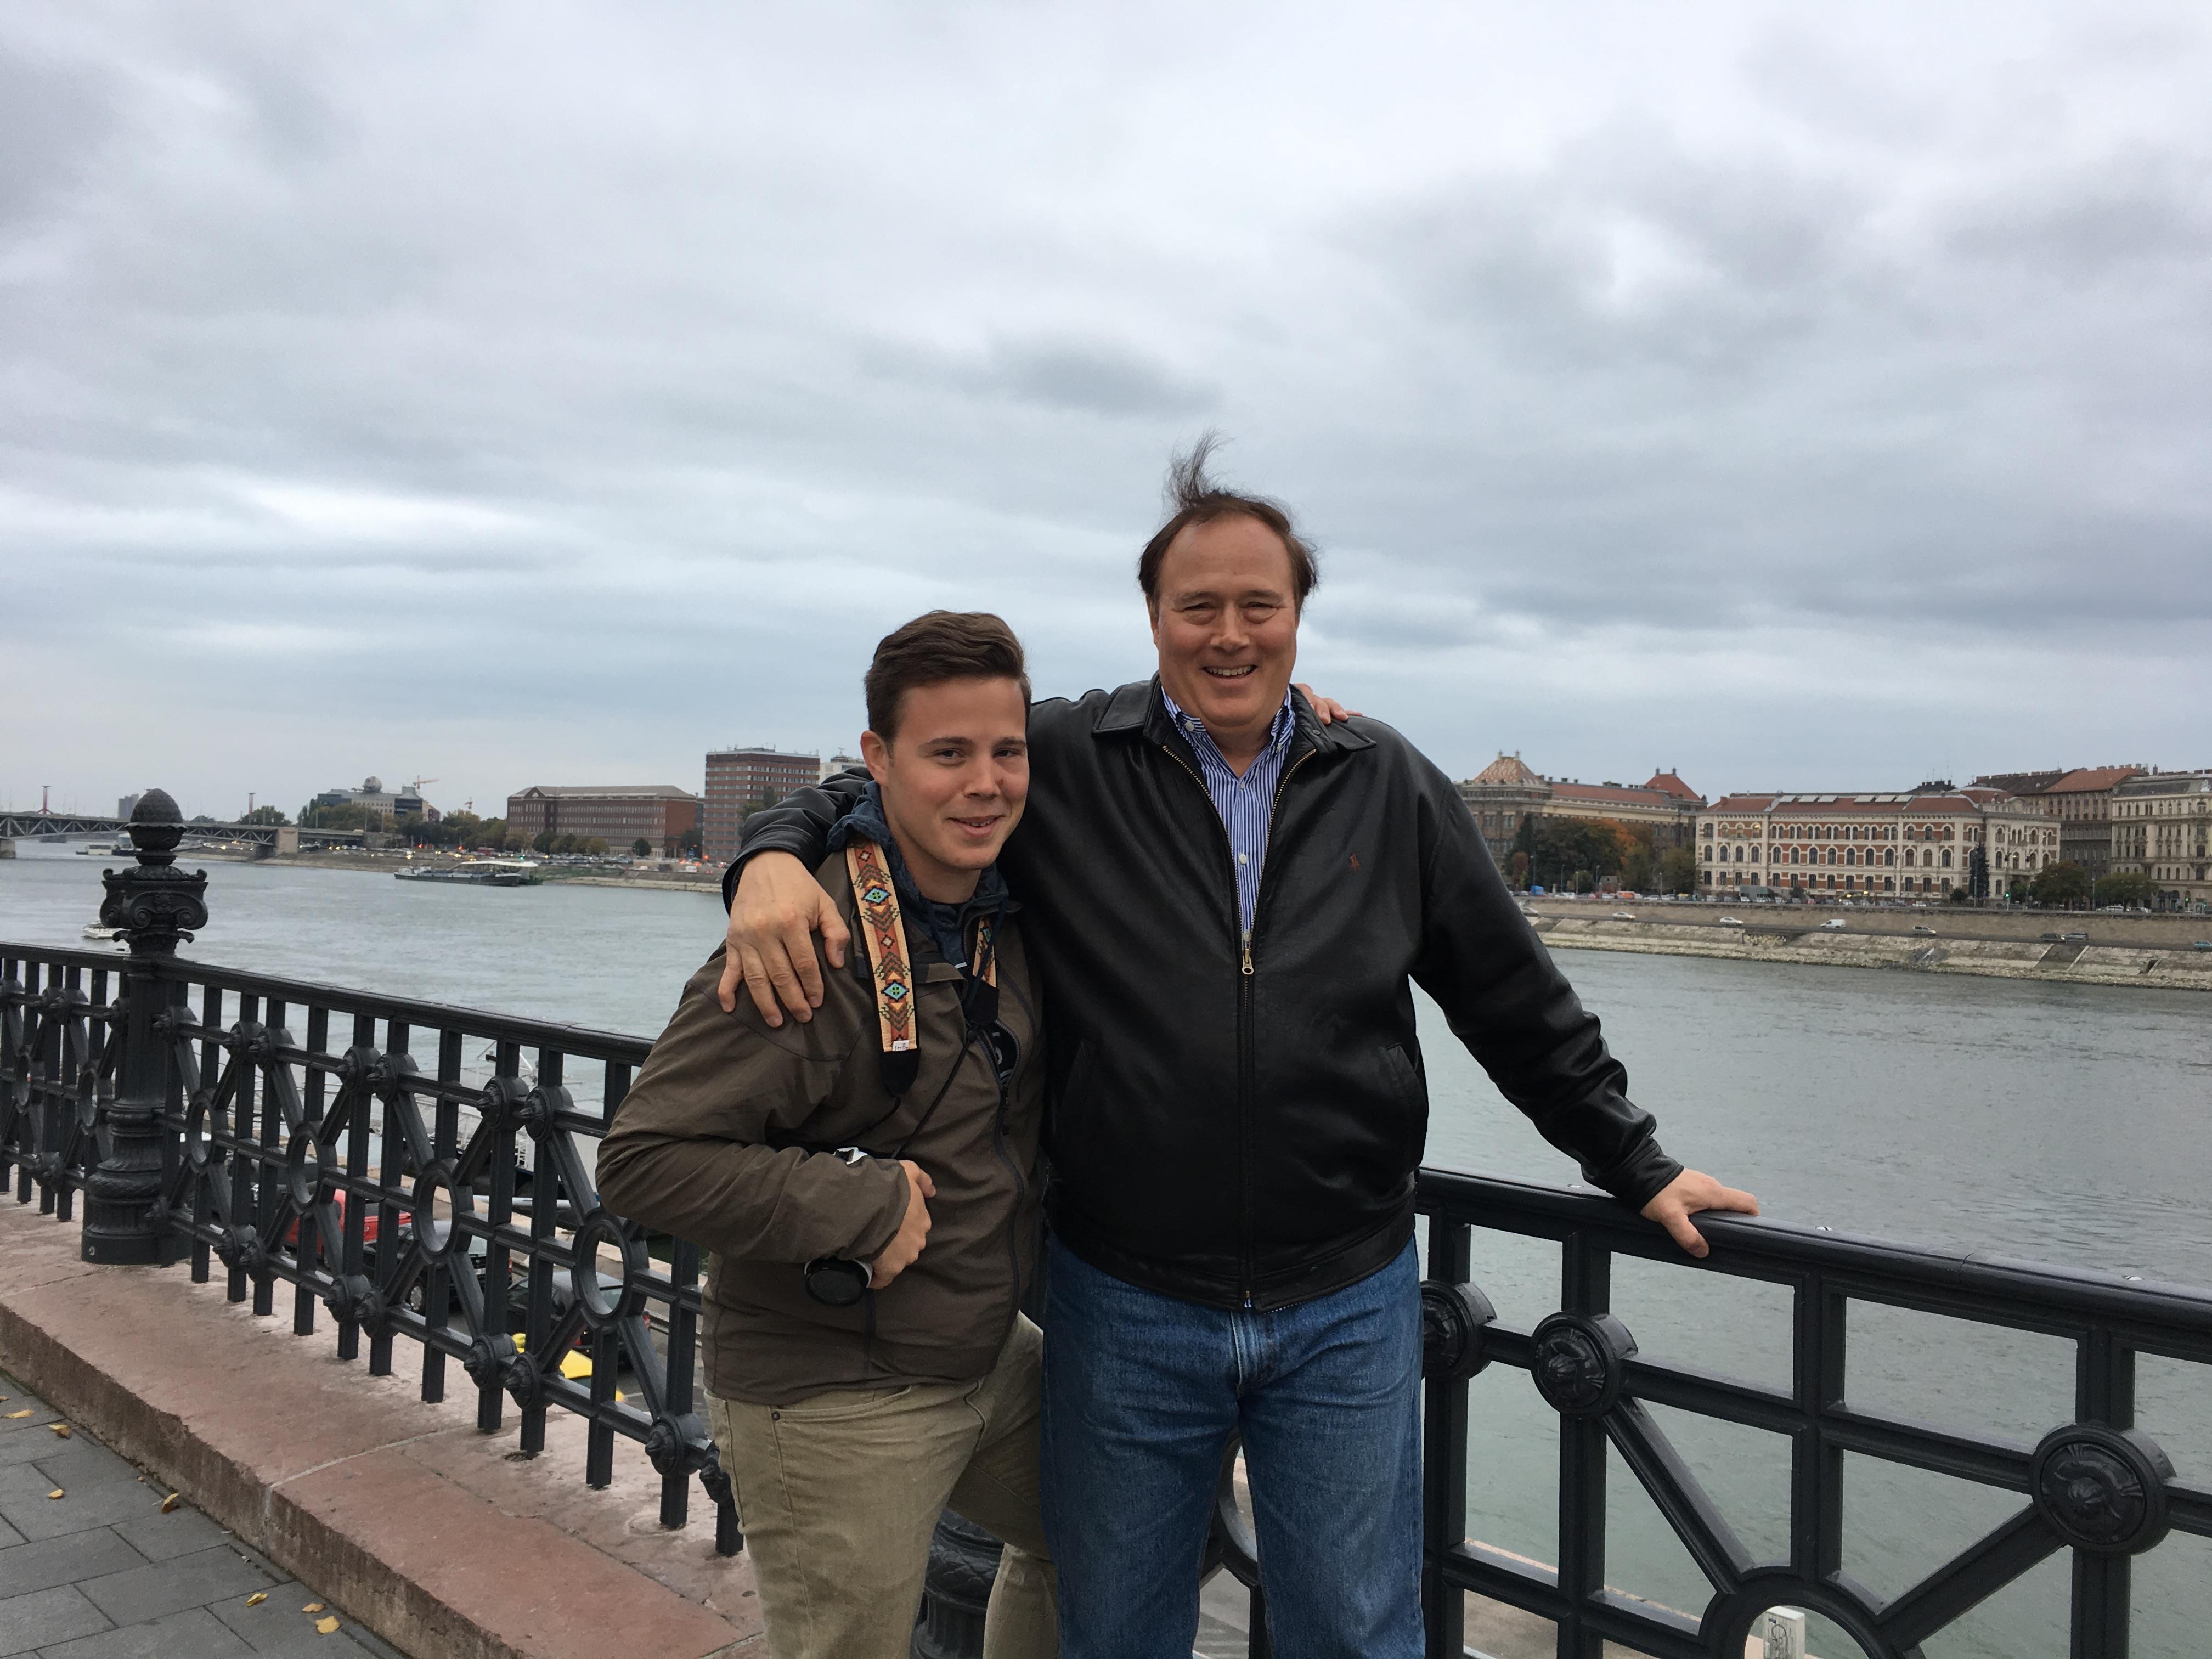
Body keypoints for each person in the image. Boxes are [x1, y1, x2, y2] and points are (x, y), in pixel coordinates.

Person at [717, 442, 1757, 1659]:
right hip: (1123, 1297)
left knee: (1358, 1631)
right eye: (1196, 607)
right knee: (1118, 1631)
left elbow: (1512, 999)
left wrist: (1633, 1161)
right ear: (1153, 620)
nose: (1229, 634)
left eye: (1258, 606)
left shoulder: (1386, 781)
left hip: (1347, 1297)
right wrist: (773, 858)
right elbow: (890, 780)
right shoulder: (1066, 763)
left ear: (1299, 621)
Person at [596, 611, 1056, 1659]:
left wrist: (1289, 711)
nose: (986, 783)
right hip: (832, 1390)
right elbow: (642, 1159)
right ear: (878, 762)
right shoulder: (806, 936)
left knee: (1124, 1529)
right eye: (948, 754)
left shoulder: (1008, 908)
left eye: (1006, 752)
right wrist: (861, 1202)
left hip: (984, 1350)